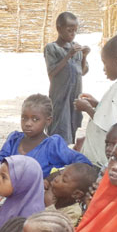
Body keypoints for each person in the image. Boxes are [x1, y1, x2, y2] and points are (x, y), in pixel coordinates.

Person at [75, 33, 117, 167]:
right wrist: (98, 104)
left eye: (105, 63)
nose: (104, 69)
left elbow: (105, 123)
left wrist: (86, 108)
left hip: (99, 160)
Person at [0, 94, 90, 177]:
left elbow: (83, 163)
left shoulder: (52, 145)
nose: (28, 123)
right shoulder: (14, 140)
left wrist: (55, 175)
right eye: (24, 118)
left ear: (48, 120)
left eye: (35, 119)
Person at [44, 11, 90, 143]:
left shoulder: (76, 49)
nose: (73, 34)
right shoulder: (52, 48)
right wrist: (67, 56)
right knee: (59, 125)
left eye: (75, 31)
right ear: (59, 29)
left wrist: (85, 55)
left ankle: (67, 154)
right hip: (60, 95)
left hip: (74, 95)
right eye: (69, 30)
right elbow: (52, 73)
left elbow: (83, 71)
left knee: (72, 124)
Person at [44, 162, 98, 227]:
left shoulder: (73, 212)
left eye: (63, 180)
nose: (56, 179)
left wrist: (49, 206)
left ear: (76, 194)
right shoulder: (45, 190)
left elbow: (58, 231)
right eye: (60, 174)